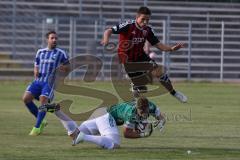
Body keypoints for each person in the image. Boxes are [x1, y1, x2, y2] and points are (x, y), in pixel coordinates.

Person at [101, 6, 187, 103]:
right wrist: (106, 39)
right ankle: (136, 88)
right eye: (143, 19)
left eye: (147, 20)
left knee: (159, 72)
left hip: (141, 56)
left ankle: (174, 93)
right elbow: (108, 30)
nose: (145, 22)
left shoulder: (148, 30)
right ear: (137, 17)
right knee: (142, 90)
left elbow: (158, 45)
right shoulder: (128, 25)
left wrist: (171, 49)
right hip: (127, 60)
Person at [40, 96, 166, 150]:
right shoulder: (131, 113)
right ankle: (83, 137)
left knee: (73, 134)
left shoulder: (151, 106)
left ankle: (56, 111)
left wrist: (161, 122)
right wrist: (143, 135)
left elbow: (161, 117)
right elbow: (127, 133)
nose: (143, 114)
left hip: (100, 112)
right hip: (106, 116)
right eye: (140, 112)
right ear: (137, 108)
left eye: (144, 111)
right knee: (114, 144)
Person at [22, 30, 70, 136]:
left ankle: (37, 127)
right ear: (47, 39)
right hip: (38, 81)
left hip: (49, 83)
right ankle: (43, 120)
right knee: (26, 98)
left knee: (43, 100)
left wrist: (64, 69)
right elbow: (36, 64)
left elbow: (68, 67)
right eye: (52, 38)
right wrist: (35, 70)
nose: (54, 40)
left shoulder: (61, 53)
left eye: (56, 38)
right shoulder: (40, 52)